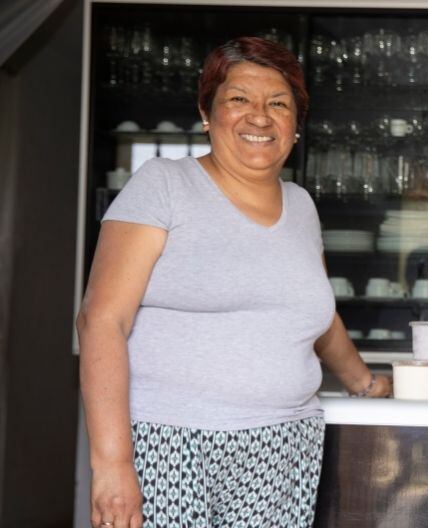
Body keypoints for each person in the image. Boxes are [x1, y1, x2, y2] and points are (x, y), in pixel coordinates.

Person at [76, 37, 390, 528]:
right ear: (207, 112)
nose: (259, 117)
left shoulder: (301, 205)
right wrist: (112, 465)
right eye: (239, 99)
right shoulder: (164, 185)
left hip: (284, 446)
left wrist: (364, 383)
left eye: (278, 104)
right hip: (171, 442)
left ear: (296, 124)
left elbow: (311, 311)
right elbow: (101, 320)